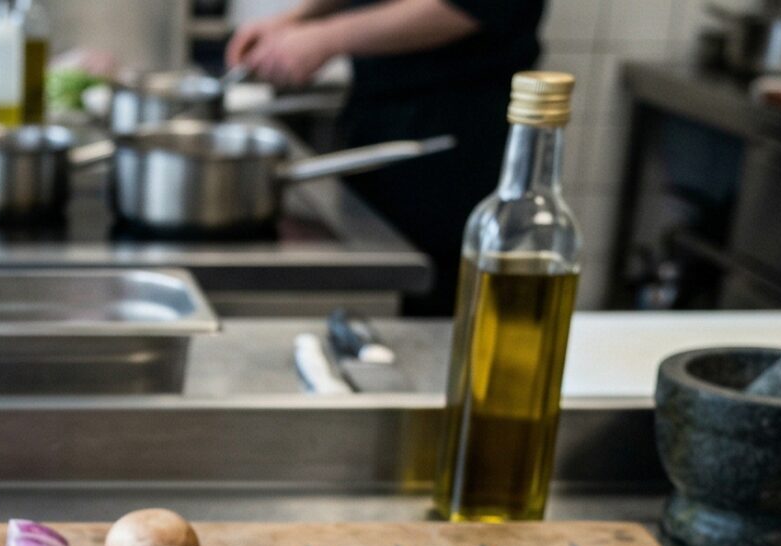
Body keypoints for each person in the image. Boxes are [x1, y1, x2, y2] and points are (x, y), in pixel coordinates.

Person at [228, 0, 547, 315]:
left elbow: (474, 7)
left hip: (456, 131)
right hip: (378, 113)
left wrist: (326, 36)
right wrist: (298, 18)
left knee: (435, 300)